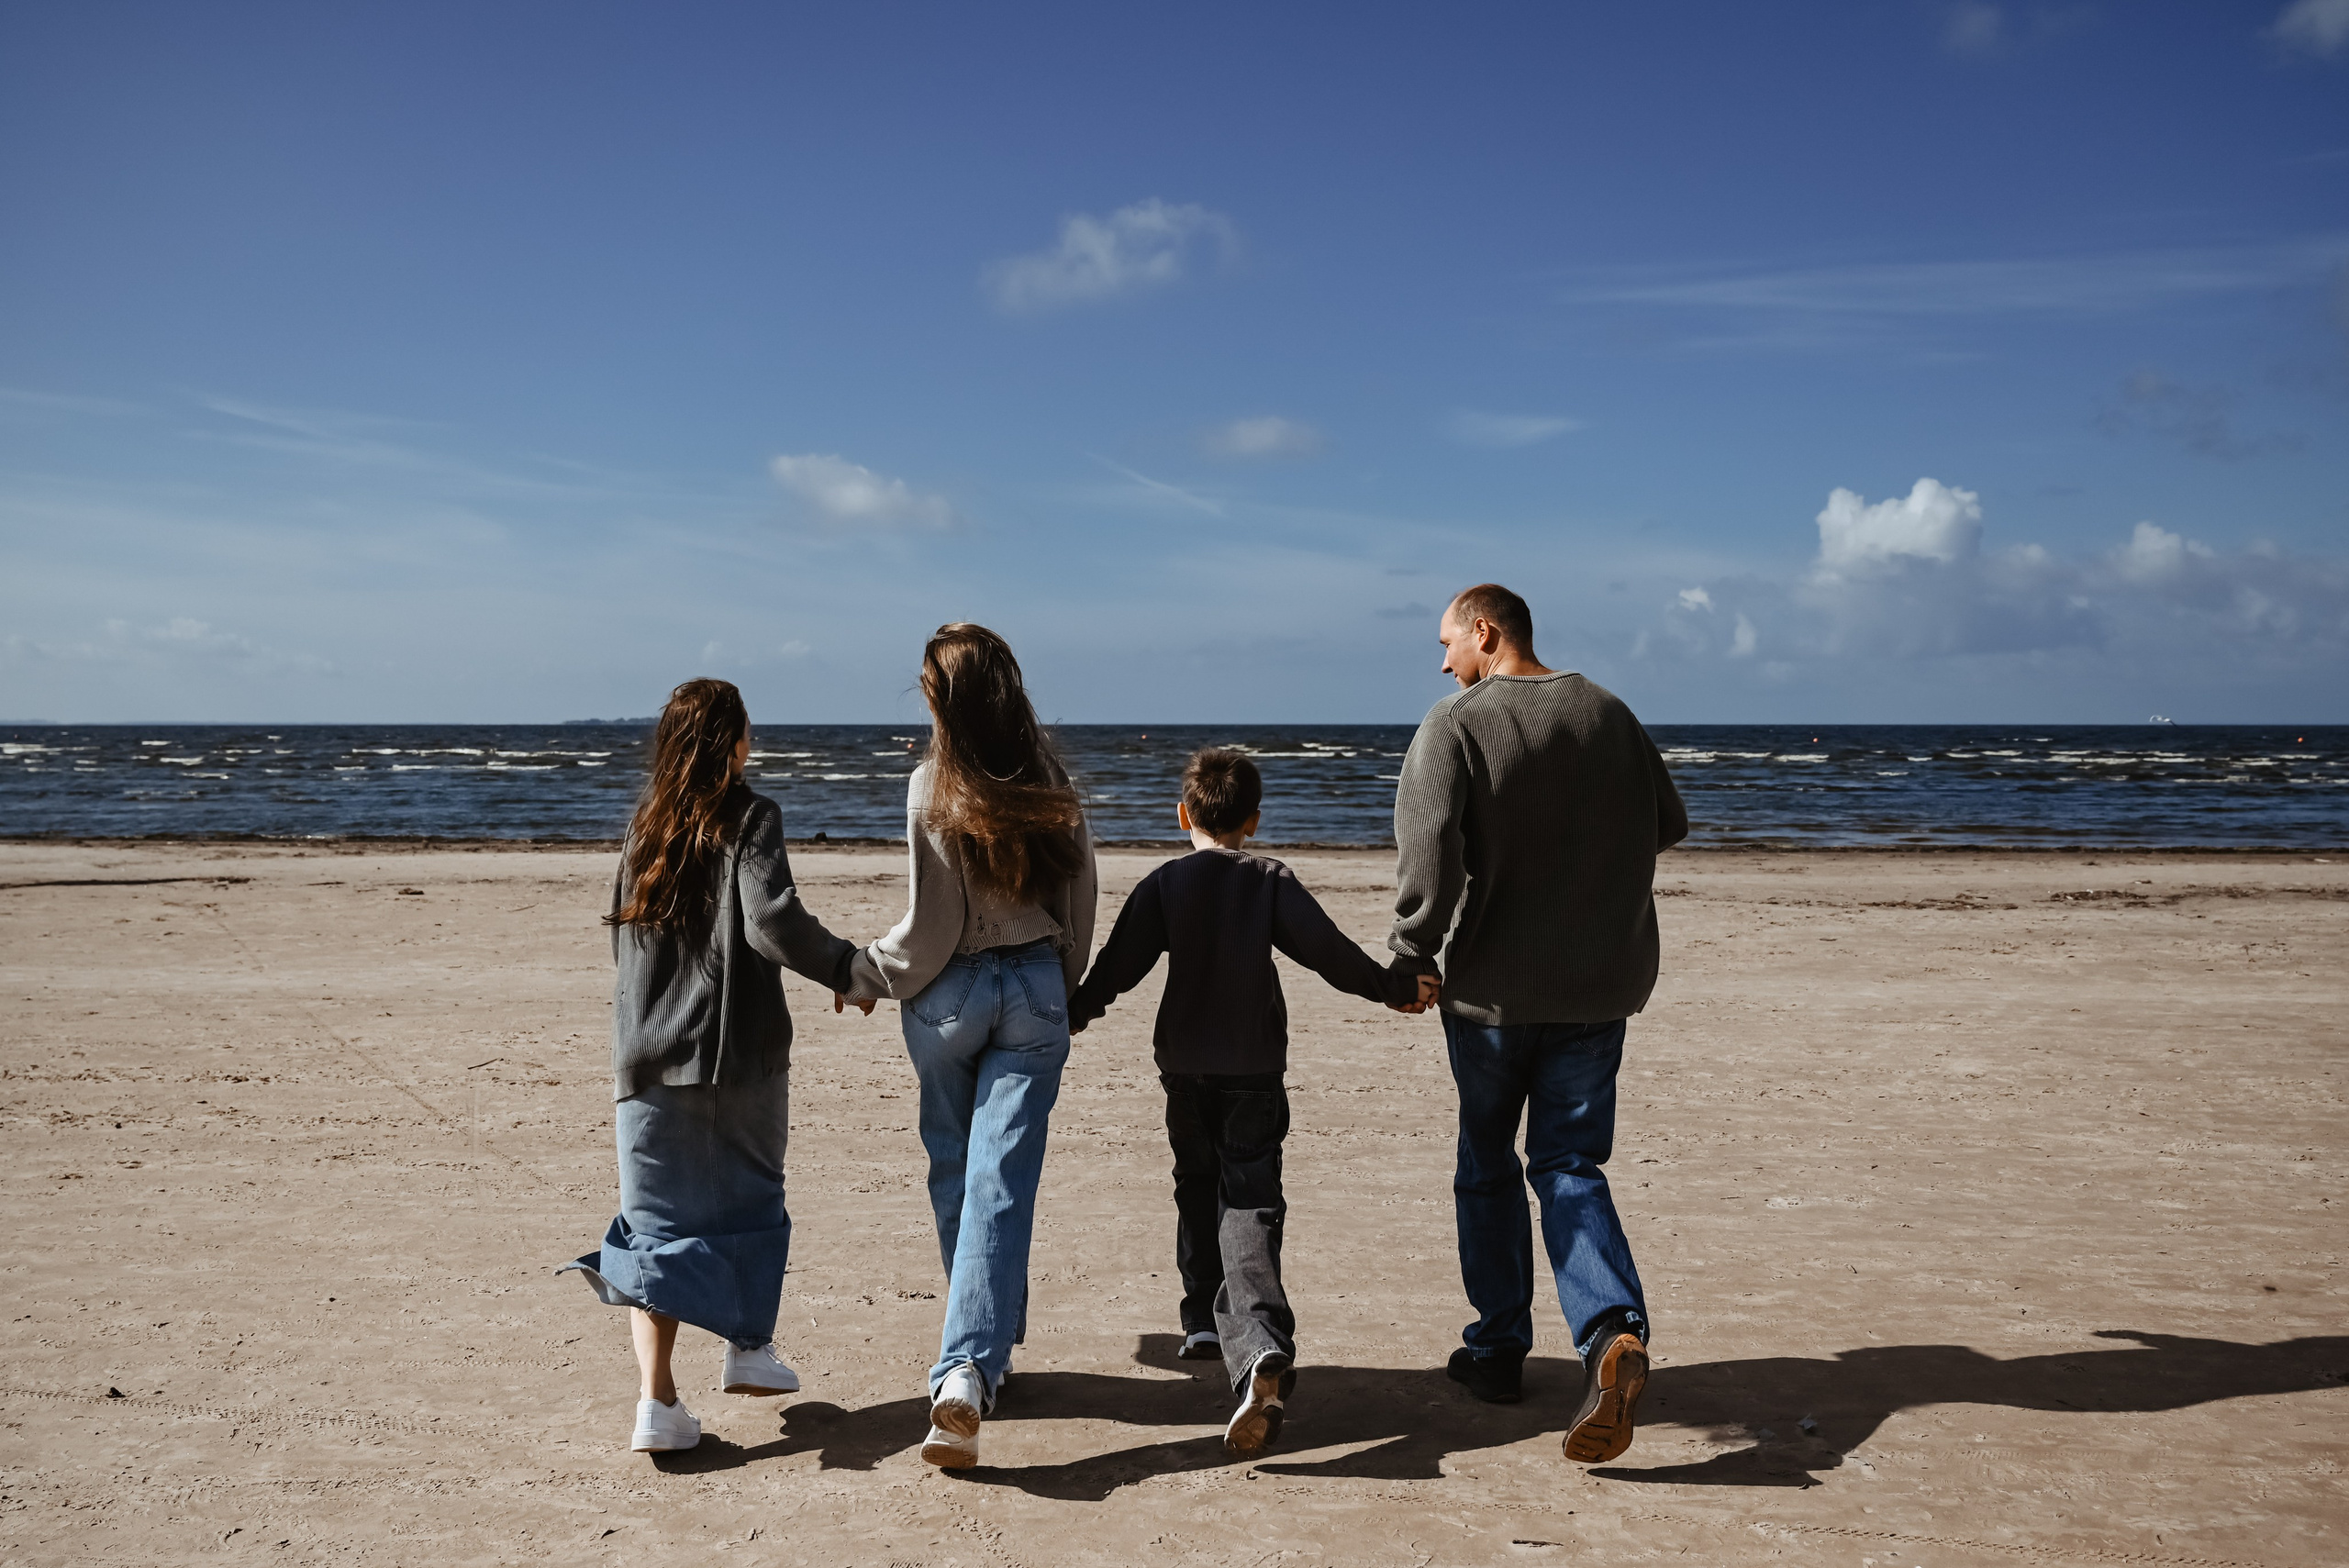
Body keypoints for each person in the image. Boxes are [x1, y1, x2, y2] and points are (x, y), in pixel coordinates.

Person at [1386, 584, 1687, 1465]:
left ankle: (1498, 1351)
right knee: (1568, 1163)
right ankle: (1609, 1333)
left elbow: (1428, 853)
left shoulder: (1457, 722)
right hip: (1600, 986)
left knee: (1487, 1164)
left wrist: (1413, 950)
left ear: (1487, 631)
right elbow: (1666, 822)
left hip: (1495, 996)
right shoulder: (1612, 714)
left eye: (1448, 642)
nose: (1444, 661)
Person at [1066, 749, 1438, 1456]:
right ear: (1254, 821)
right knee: (1250, 1198)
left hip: (1184, 1068)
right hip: (1254, 1069)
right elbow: (1327, 952)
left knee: (1196, 1183)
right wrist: (1393, 986)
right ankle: (1257, 1342)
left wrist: (1073, 1012)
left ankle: (1206, 1321)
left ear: (1184, 816)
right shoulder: (1268, 879)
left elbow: (1118, 965)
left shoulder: (1165, 883)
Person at [559, 678, 863, 1454]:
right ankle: (750, 1348)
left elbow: (624, 948)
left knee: (654, 1227)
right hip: (737, 1052)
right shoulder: (751, 815)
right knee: (753, 1200)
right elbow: (771, 917)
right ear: (732, 744)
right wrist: (845, 969)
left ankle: (658, 1403)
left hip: (645, 1056)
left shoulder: (642, 828)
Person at [839, 624, 1097, 1470]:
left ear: (941, 698)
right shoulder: (1050, 776)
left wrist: (869, 972)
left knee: (960, 1168)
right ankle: (985, 1352)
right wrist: (1063, 974)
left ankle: (966, 1369)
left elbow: (934, 924)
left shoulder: (929, 786)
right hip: (1033, 986)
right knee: (999, 1176)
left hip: (949, 994)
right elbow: (1080, 891)